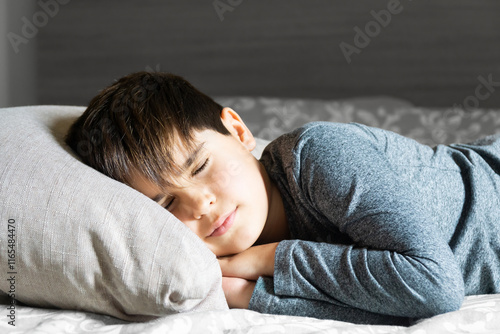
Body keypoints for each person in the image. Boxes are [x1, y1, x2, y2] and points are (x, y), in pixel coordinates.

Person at [66, 71, 500, 326]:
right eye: (165, 205)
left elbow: (434, 287)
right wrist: (252, 297)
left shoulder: (318, 156)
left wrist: (264, 265)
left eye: (199, 167)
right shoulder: (211, 266)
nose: (199, 205)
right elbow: (398, 310)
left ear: (237, 130)